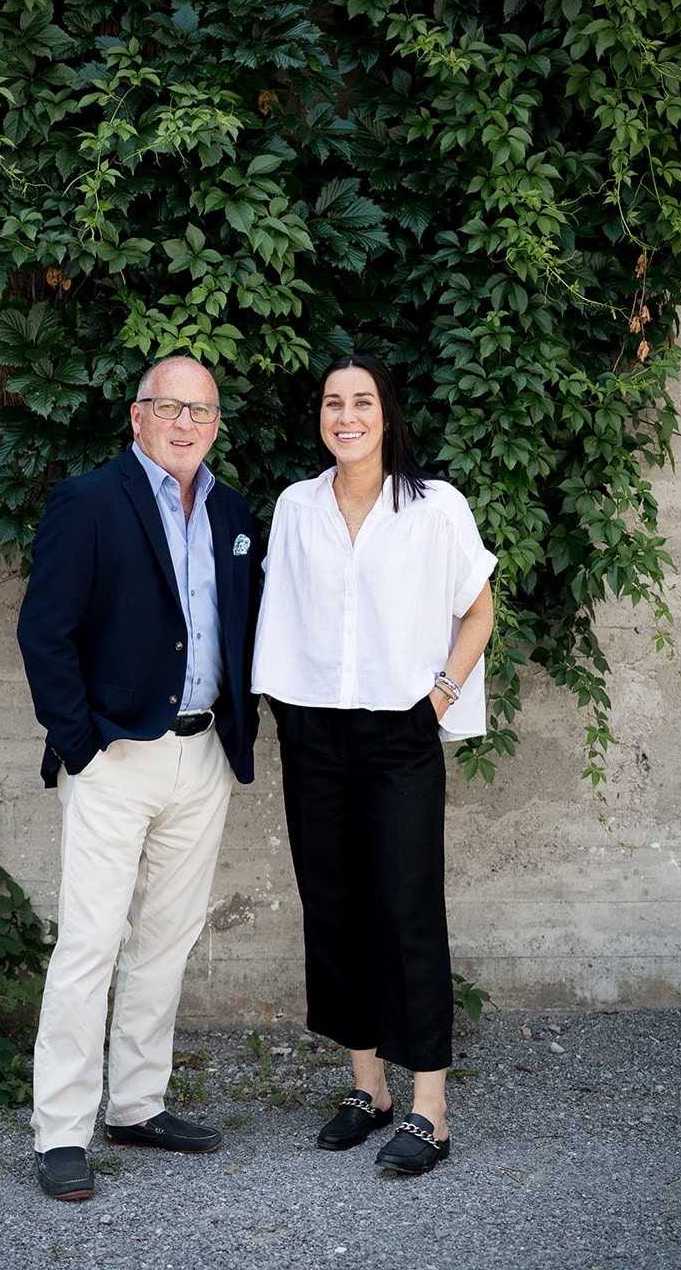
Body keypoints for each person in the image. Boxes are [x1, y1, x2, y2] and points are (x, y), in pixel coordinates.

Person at [17, 355, 259, 1201]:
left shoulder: (230, 511)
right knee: (90, 943)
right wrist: (81, 745)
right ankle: (60, 1131)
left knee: (166, 939)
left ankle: (136, 1105)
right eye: (169, 408)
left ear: (216, 423)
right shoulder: (88, 502)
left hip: (202, 756)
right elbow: (44, 633)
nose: (185, 424)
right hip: (115, 755)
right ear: (137, 416)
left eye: (201, 411)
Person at [251, 355, 495, 1176]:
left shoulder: (435, 508)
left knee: (407, 909)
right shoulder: (296, 506)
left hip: (399, 732)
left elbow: (478, 606)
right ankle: (369, 1088)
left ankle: (431, 1107)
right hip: (313, 732)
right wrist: (285, 709)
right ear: (319, 417)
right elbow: (279, 611)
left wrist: (438, 698)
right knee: (334, 905)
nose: (345, 415)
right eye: (332, 402)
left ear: (386, 414)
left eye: (361, 402)